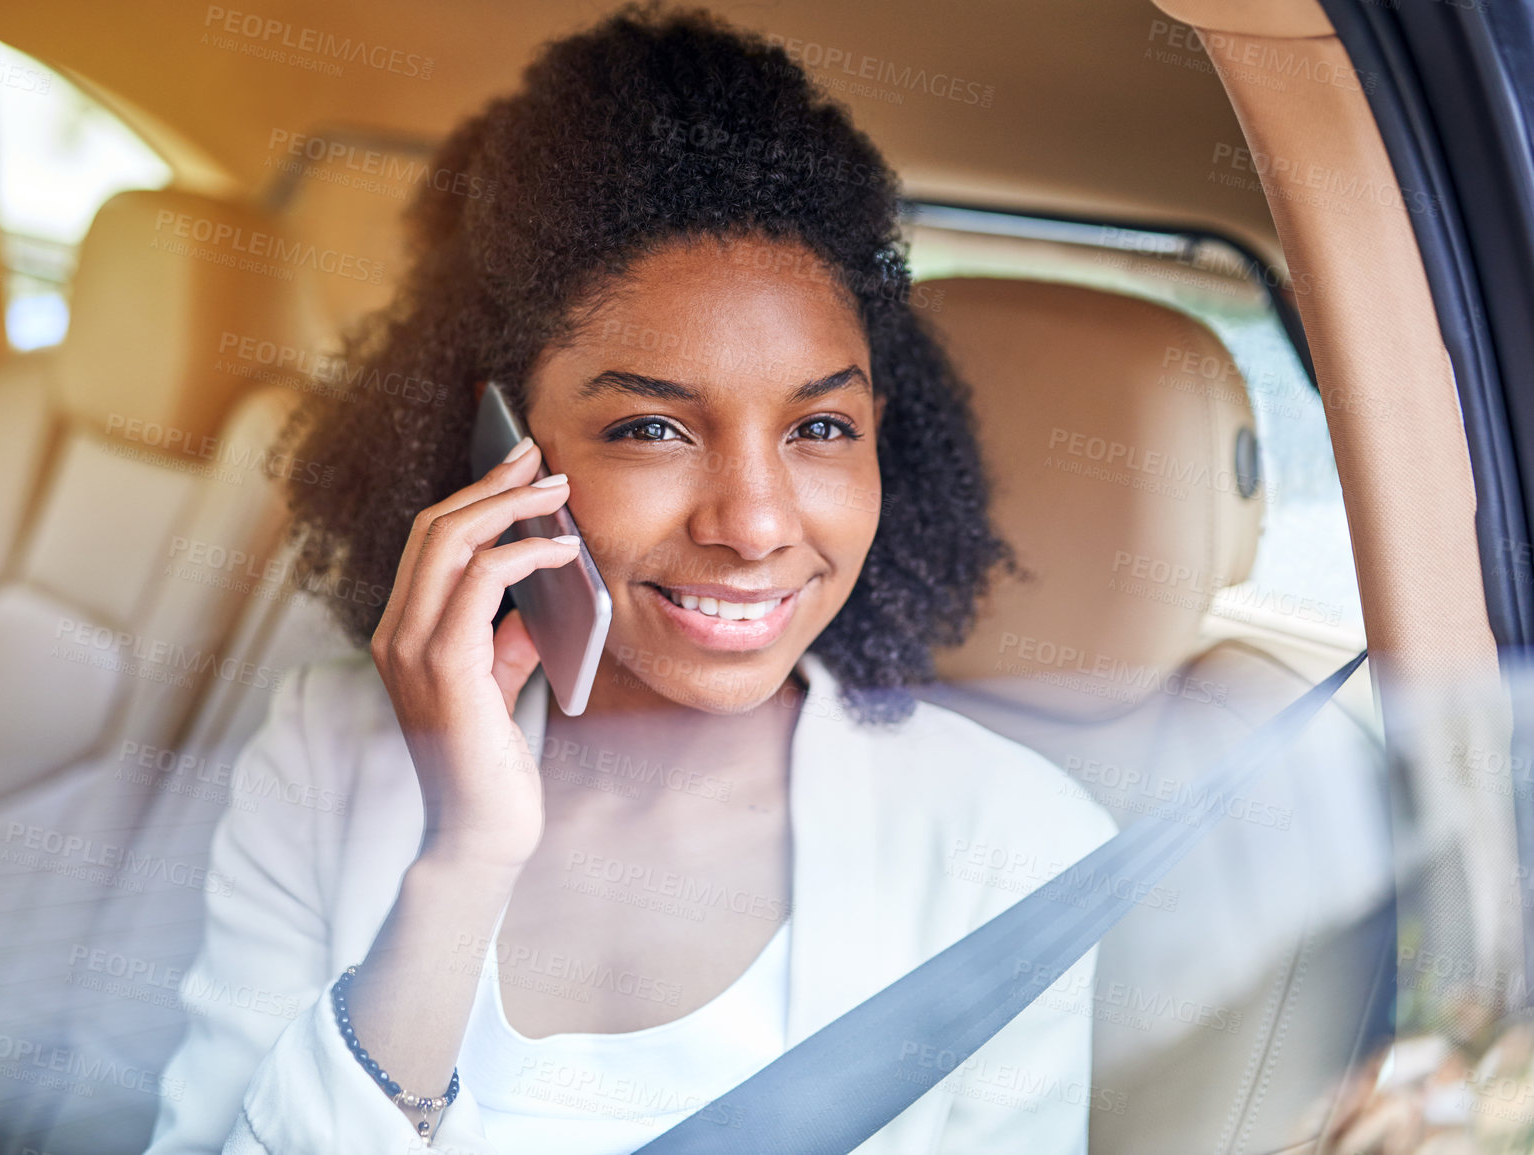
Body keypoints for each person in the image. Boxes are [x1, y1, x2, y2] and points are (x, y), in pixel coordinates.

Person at [148, 6, 1115, 1152]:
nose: (756, 524)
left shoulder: (1014, 851)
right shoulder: (319, 753)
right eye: (653, 428)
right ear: (501, 449)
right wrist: (461, 862)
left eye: (819, 426)